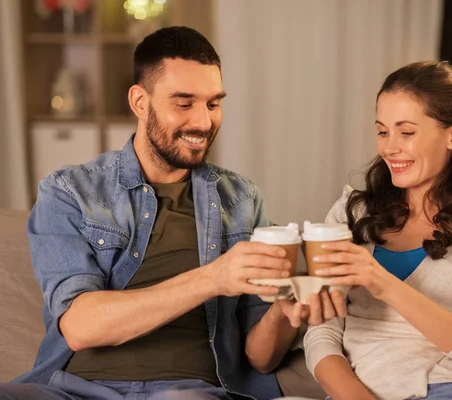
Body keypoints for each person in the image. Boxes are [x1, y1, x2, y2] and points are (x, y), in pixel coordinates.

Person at [0, 26, 342, 400]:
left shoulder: (242, 201)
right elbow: (80, 327)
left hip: (184, 392)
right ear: (139, 101)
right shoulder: (69, 192)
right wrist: (215, 278)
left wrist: (283, 312)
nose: (203, 122)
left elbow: (260, 360)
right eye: (184, 103)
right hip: (72, 390)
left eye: (213, 103)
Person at [303, 61, 452, 400]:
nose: (389, 148)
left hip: (451, 389)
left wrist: (383, 284)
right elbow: (321, 335)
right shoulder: (352, 213)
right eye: (382, 131)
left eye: (406, 132)